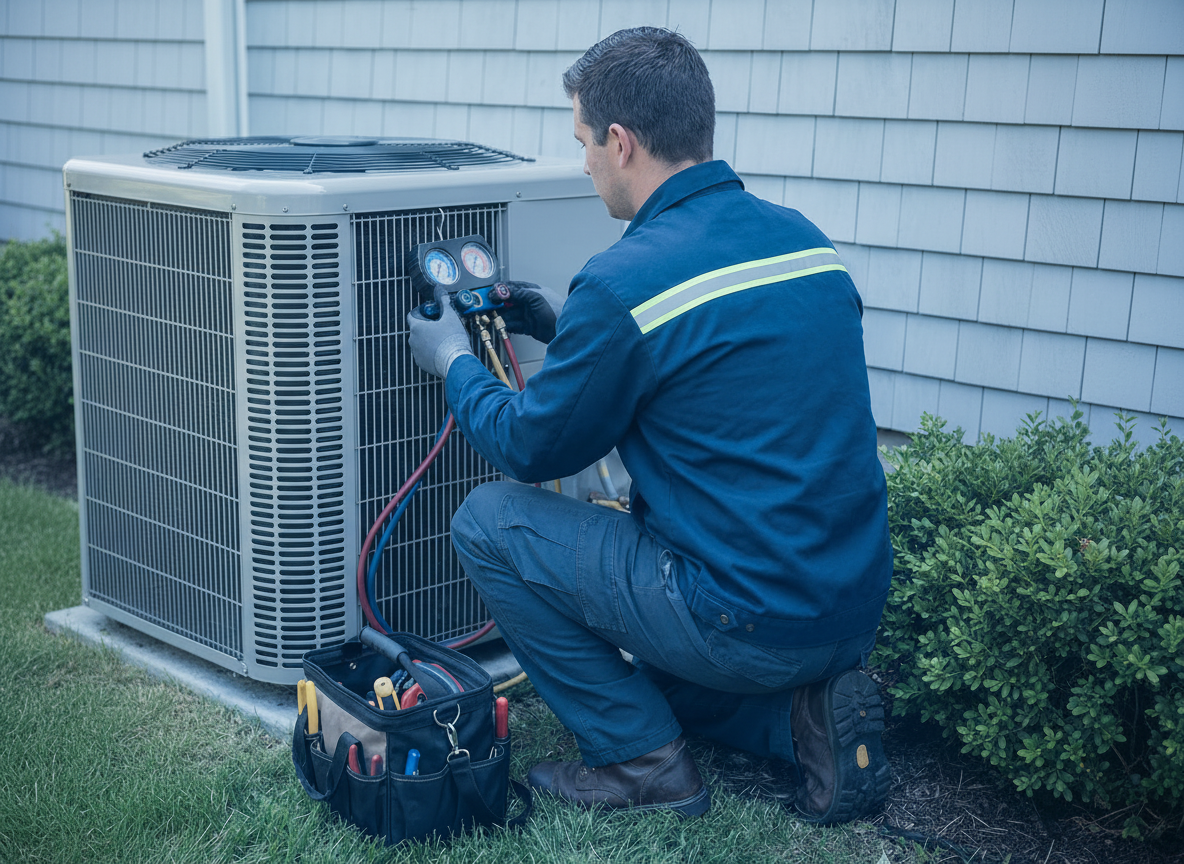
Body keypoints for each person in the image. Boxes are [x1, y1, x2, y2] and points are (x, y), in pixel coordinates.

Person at [405, 27, 893, 824]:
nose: (586, 162)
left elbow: (530, 446)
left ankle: (643, 765)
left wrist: (454, 358)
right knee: (650, 674)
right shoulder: (807, 243)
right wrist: (568, 330)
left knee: (488, 521)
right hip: (846, 603)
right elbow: (716, 385)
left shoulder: (628, 278)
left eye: (584, 142)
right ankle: (802, 723)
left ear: (622, 142)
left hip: (744, 618)